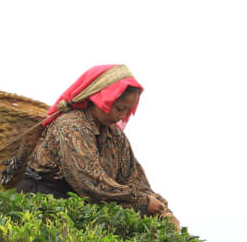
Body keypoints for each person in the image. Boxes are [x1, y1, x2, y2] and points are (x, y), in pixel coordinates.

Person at [15, 64, 179, 230]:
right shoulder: (71, 127)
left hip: (79, 210)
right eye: (119, 108)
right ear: (100, 98)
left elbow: (133, 178)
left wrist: (162, 209)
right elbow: (90, 182)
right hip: (43, 205)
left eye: (127, 110)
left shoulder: (115, 136)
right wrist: (141, 202)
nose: (121, 116)